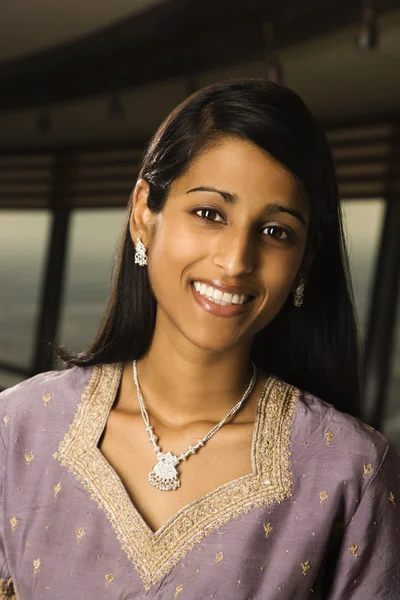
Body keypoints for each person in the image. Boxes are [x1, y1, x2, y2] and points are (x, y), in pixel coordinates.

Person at [0, 79, 399, 600]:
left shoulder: (351, 470)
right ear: (145, 213)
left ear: (305, 260)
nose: (236, 261)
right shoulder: (19, 428)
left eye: (276, 231)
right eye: (210, 214)